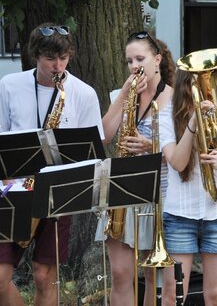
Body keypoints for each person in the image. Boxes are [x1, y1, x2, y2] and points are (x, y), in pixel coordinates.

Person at [0, 23, 104, 306]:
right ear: (35, 56)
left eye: (63, 58)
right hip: (12, 193)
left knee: (44, 276)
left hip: (57, 196)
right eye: (50, 58)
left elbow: (92, 152)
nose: (57, 65)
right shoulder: (9, 85)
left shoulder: (83, 93)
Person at [95, 31, 175, 305]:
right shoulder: (121, 94)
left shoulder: (175, 100)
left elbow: (183, 156)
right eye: (129, 61)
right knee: (120, 273)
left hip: (159, 194)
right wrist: (124, 94)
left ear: (157, 60)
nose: (134, 66)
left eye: (140, 58)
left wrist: (152, 147)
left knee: (154, 276)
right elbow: (104, 135)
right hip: (121, 191)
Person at [160, 69, 217, 306]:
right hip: (179, 216)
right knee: (174, 296)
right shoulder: (167, 118)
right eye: (198, 87)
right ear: (185, 88)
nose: (206, 93)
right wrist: (193, 124)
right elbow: (177, 162)